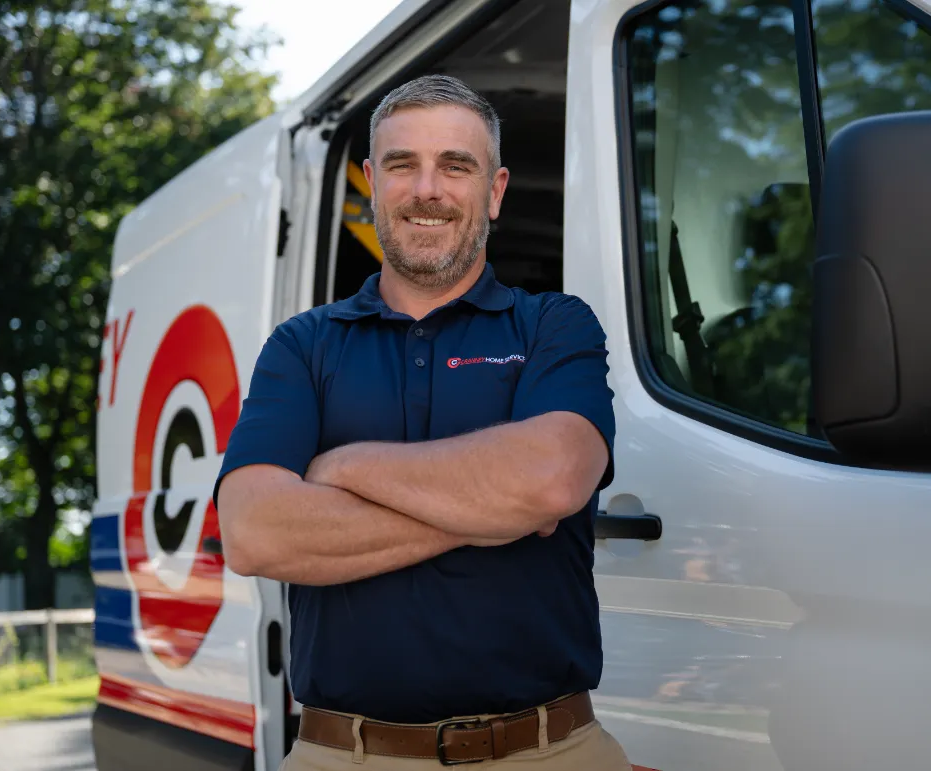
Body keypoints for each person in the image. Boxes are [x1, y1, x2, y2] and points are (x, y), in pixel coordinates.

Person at [214, 74, 632, 770]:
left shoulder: (555, 324)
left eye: (455, 166)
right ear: (372, 184)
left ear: (494, 192)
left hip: (548, 751)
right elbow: (252, 530)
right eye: (403, 165)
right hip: (341, 756)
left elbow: (553, 479)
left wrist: (341, 468)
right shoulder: (302, 344)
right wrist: (496, 507)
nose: (427, 189)